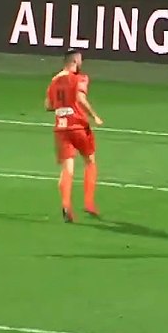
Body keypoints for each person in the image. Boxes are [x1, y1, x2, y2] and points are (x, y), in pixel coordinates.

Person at [45, 50, 104, 222]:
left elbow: (48, 105)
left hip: (61, 128)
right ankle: (89, 202)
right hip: (78, 126)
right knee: (90, 161)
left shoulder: (54, 80)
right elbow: (80, 97)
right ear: (75, 62)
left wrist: (62, 106)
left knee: (67, 169)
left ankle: (66, 204)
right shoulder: (79, 78)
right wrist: (94, 116)